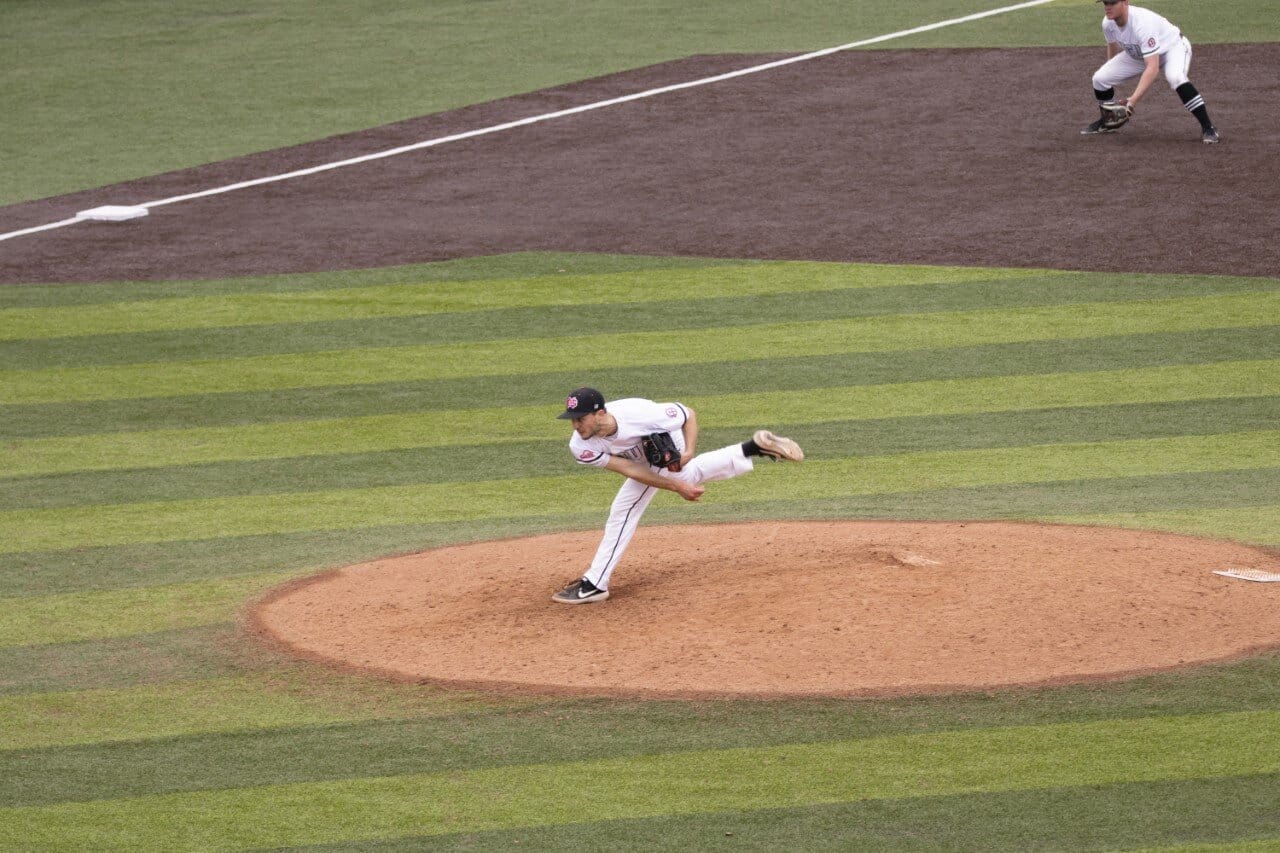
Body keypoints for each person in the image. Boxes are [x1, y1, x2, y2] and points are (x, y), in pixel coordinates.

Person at [551, 386, 803, 604]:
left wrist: (689, 452)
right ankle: (753, 447)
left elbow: (687, 414)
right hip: (640, 458)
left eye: (580, 419)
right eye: (572, 419)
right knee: (685, 478)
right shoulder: (580, 445)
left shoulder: (641, 414)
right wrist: (675, 485)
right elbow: (629, 468)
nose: (575, 425)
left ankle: (595, 583)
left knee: (625, 509)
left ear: (601, 413)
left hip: (664, 440)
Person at [1080, 0, 1219, 144]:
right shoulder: (1108, 23)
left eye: (1112, 2)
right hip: (1139, 54)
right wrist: (1110, 70)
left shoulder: (1142, 23)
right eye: (1105, 3)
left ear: (1125, 2)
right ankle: (1108, 121)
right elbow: (1112, 46)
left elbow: (1152, 67)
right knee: (1100, 78)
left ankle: (1208, 127)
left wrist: (1131, 101)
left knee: (1175, 77)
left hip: (1172, 48)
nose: (1108, 7)